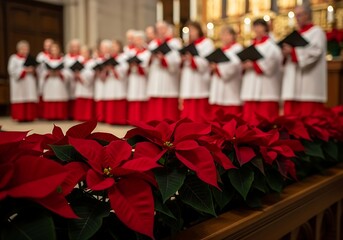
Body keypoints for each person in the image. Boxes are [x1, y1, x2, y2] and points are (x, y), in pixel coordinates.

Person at [281, 3, 327, 116]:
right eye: (296, 15)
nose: (297, 18)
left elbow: (315, 52)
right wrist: (284, 52)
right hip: (292, 84)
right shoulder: (295, 34)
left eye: (300, 15)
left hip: (309, 84)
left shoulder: (317, 32)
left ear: (308, 15)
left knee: (309, 120)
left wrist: (293, 51)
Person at [240, 18, 283, 124]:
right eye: (255, 27)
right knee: (249, 121)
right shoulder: (251, 45)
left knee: (266, 121)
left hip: (266, 89)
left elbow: (273, 62)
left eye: (260, 26)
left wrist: (254, 64)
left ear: (265, 28)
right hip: (250, 87)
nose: (257, 29)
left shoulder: (271, 45)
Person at [179, 21, 214, 122]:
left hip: (200, 80)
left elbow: (207, 61)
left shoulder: (206, 43)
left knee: (199, 112)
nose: (190, 33)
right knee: (188, 111)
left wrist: (192, 59)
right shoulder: (187, 45)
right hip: (188, 78)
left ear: (199, 30)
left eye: (192, 30)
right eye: (189, 30)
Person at [147, 21, 182, 122]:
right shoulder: (153, 43)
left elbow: (176, 61)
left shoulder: (174, 43)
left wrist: (164, 59)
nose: (160, 31)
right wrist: (151, 57)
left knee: (168, 109)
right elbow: (146, 62)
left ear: (168, 29)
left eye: (162, 28)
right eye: (158, 29)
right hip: (155, 76)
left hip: (168, 79)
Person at [209, 26, 243, 118]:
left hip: (231, 88)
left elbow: (235, 65)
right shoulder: (221, 49)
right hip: (218, 86)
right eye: (222, 35)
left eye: (226, 34)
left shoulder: (237, 48)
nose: (224, 37)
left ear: (233, 36)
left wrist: (217, 68)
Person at [8, 40, 38, 121]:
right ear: (18, 49)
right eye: (23, 49)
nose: (25, 51)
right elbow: (11, 70)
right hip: (19, 82)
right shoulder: (14, 58)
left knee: (29, 97)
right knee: (20, 98)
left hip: (29, 81)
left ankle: (29, 117)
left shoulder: (30, 58)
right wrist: (24, 71)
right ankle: (20, 117)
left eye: (26, 49)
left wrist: (33, 70)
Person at [102, 40, 129, 125]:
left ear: (120, 47)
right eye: (112, 46)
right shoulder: (108, 57)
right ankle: (111, 119)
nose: (113, 48)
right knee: (111, 98)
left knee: (119, 99)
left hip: (119, 83)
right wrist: (106, 69)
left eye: (115, 46)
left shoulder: (123, 57)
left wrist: (114, 69)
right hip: (110, 81)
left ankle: (120, 120)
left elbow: (124, 70)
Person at [127, 31, 151, 122]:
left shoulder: (147, 52)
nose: (138, 41)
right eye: (136, 39)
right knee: (134, 97)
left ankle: (143, 120)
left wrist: (139, 66)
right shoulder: (130, 52)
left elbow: (147, 67)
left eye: (139, 39)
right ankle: (133, 120)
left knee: (142, 97)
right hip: (133, 78)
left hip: (142, 79)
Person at [41, 43, 69, 120]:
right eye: (52, 49)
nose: (54, 51)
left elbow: (67, 72)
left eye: (56, 49)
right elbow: (42, 72)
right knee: (50, 97)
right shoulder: (46, 60)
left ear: (59, 50)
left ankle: (60, 116)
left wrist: (60, 73)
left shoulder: (63, 60)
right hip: (50, 81)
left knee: (59, 96)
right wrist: (47, 73)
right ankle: (50, 116)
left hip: (59, 82)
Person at [73, 46, 95, 121]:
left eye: (85, 52)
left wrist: (81, 76)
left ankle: (87, 117)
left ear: (89, 53)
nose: (83, 54)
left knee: (87, 100)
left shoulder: (92, 62)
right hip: (80, 85)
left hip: (87, 85)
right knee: (80, 99)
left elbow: (91, 74)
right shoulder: (79, 61)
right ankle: (80, 116)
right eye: (82, 52)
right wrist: (76, 75)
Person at [93, 39, 112, 122]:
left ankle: (107, 117)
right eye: (102, 47)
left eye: (105, 47)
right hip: (99, 80)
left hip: (108, 80)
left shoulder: (110, 58)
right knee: (100, 97)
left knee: (107, 97)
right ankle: (100, 117)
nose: (103, 49)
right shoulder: (97, 57)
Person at [64, 39, 82, 119]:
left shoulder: (82, 57)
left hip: (79, 80)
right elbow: (65, 69)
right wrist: (71, 75)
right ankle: (70, 115)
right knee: (70, 96)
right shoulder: (66, 57)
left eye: (76, 46)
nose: (75, 48)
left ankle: (77, 114)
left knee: (77, 97)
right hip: (70, 80)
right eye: (73, 46)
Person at [36, 38, 54, 118]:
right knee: (42, 95)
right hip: (43, 78)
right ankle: (41, 114)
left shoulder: (57, 55)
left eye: (50, 45)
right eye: (46, 45)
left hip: (52, 78)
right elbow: (38, 68)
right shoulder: (41, 56)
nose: (48, 47)